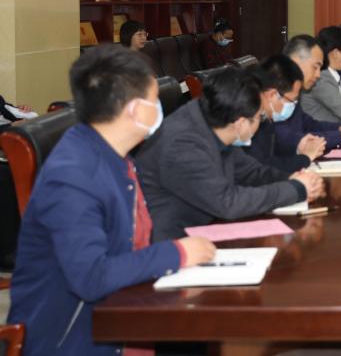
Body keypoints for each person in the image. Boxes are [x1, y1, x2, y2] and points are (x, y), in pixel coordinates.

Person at [8, 45, 215, 356]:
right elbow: (91, 277)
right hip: (76, 341)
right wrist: (178, 253)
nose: (161, 109)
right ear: (134, 109)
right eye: (155, 100)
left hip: (124, 317)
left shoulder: (115, 157)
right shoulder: (72, 175)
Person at [136, 65, 326, 241]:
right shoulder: (183, 144)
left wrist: (292, 179)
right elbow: (228, 202)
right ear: (241, 123)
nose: (261, 122)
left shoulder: (216, 120)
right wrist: (296, 190)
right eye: (259, 118)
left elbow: (250, 172)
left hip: (205, 229)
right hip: (175, 244)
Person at [280, 35, 341, 152]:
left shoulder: (294, 92)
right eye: (315, 67)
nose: (318, 75)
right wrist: (340, 136)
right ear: (296, 62)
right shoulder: (277, 94)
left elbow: (309, 124)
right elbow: (291, 139)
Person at [247, 55, 326, 173]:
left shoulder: (265, 119)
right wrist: (304, 158)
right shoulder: (247, 120)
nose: (293, 106)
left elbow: (273, 154)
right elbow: (261, 167)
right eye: (292, 100)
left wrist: (300, 146)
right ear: (273, 95)